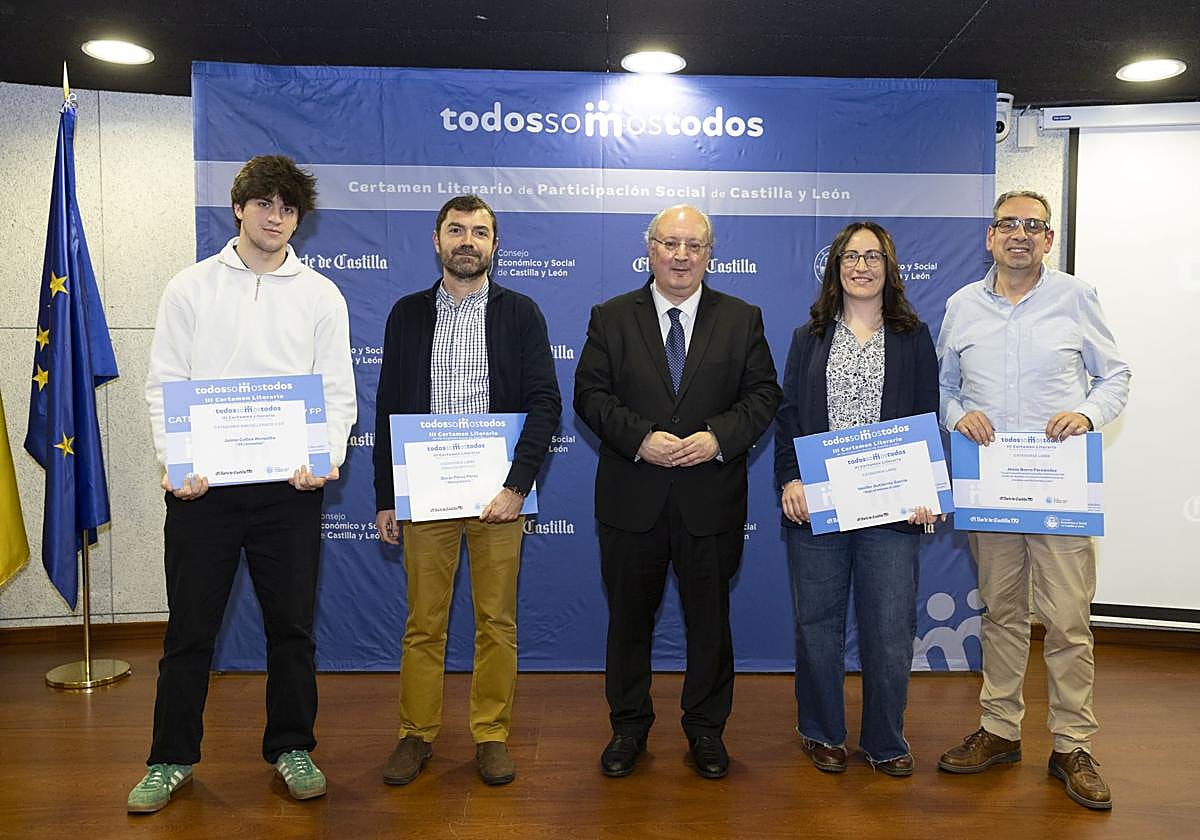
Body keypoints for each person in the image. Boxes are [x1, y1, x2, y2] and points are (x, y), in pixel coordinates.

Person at [132, 155, 357, 812]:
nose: (275, 218)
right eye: (265, 205)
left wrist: (325, 453)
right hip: (205, 492)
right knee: (190, 631)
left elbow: (337, 391)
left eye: (288, 209)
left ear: (298, 219)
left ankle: (292, 745)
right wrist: (177, 465)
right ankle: (169, 758)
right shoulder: (190, 288)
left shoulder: (321, 295)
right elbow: (164, 385)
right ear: (239, 207)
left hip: (291, 490)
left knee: (292, 628)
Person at [936, 190, 1130, 810]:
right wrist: (960, 415)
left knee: (1070, 621)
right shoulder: (961, 306)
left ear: (1048, 239)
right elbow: (945, 388)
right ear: (990, 237)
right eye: (1007, 225)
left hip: (1059, 489)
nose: (1019, 234)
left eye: (1033, 226)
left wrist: (1087, 412)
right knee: (1001, 613)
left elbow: (1115, 375)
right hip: (992, 488)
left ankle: (1072, 744)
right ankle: (999, 732)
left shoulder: (1077, 297)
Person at [574, 205, 781, 780]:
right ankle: (629, 728)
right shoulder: (610, 317)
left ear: (710, 254)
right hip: (631, 499)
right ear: (651, 249)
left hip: (709, 501)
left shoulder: (742, 318)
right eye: (670, 243)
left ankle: (706, 730)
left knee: (710, 623)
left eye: (694, 245)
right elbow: (589, 395)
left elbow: (763, 397)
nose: (682, 255)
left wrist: (718, 438)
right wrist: (641, 438)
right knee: (628, 623)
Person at [373, 195, 560, 787]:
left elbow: (545, 404)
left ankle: (491, 734)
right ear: (436, 240)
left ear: (494, 246)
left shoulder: (521, 312)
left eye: (480, 232)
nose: (468, 241)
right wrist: (387, 494)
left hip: (498, 500)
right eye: (457, 230)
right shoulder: (406, 314)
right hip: (425, 496)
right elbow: (387, 410)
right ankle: (416, 734)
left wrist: (517, 485)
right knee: (423, 623)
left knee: (496, 621)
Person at [774, 221, 940, 777]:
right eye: (851, 256)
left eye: (873, 256)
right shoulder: (809, 337)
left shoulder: (914, 337)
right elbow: (789, 414)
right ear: (835, 267)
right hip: (819, 503)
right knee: (817, 624)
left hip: (893, 508)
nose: (862, 266)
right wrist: (790, 479)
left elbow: (927, 417)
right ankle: (822, 732)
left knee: (889, 629)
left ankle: (885, 739)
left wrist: (926, 491)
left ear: (889, 268)